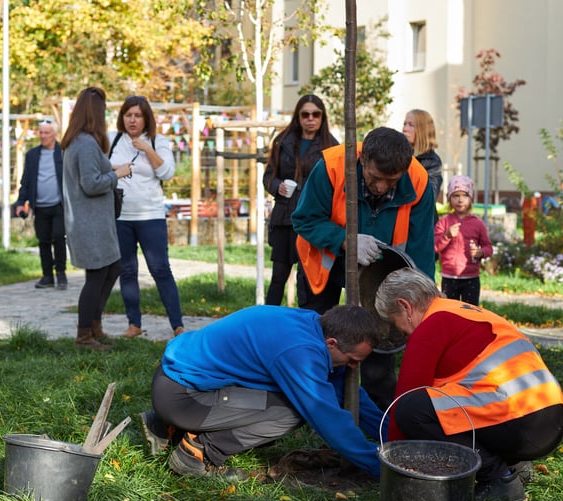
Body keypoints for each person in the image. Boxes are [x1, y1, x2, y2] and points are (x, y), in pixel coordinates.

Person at [374, 268, 563, 501]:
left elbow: (403, 401)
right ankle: (513, 464)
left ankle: (497, 477)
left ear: (406, 307)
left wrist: (394, 470)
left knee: (410, 410)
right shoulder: (463, 311)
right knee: (440, 404)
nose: (403, 333)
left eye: (398, 324)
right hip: (549, 417)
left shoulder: (431, 325)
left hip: (520, 422)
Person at [139, 304, 385, 479]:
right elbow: (326, 417)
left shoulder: (312, 325)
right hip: (183, 398)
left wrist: (389, 434)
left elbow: (348, 391)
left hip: (177, 381)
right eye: (353, 360)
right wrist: (379, 467)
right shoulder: (299, 352)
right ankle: (198, 451)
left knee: (295, 397)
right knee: (293, 411)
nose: (355, 368)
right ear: (332, 343)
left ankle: (167, 429)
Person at [292, 126, 435, 315]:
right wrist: (346, 240)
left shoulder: (419, 181)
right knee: (318, 330)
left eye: (391, 181)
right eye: (375, 178)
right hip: (323, 265)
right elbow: (305, 220)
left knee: (376, 332)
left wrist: (425, 298)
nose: (381, 187)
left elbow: (421, 249)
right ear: (363, 160)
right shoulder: (332, 166)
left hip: (380, 271)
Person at [60, 86, 133, 350]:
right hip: (90, 223)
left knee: (111, 269)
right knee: (97, 276)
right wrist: (119, 174)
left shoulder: (76, 141)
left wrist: (109, 168)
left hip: (89, 221)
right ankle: (84, 335)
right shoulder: (87, 143)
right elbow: (90, 184)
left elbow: (89, 172)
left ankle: (94, 326)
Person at [108, 96, 184, 338]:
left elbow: (167, 172)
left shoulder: (159, 141)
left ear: (146, 118)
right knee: (127, 270)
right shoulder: (112, 140)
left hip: (150, 216)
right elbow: (99, 167)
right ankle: (134, 324)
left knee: (160, 269)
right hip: (121, 217)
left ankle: (177, 325)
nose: (132, 120)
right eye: (128, 115)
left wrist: (147, 149)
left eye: (137, 115)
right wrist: (114, 169)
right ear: (122, 117)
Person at [262, 94, 338, 306]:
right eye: (305, 114)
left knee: (307, 280)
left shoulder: (332, 146)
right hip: (285, 217)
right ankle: (267, 323)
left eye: (316, 114)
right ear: (298, 116)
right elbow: (268, 176)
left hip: (314, 221)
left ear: (322, 117)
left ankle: (306, 325)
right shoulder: (282, 141)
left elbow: (337, 183)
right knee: (278, 276)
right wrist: (278, 186)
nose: (310, 118)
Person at [15, 119, 67, 290]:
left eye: (47, 133)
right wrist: (21, 202)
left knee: (59, 237)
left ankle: (61, 273)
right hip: (40, 206)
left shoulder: (63, 152)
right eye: (41, 132)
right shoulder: (32, 155)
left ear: (54, 134)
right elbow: (26, 181)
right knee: (43, 240)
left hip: (59, 204)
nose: (43, 136)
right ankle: (47, 276)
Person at [434, 175, 492, 305]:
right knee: (451, 313)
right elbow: (434, 247)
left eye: (465, 195)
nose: (460, 200)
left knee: (470, 313)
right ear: (449, 199)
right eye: (455, 195)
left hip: (471, 279)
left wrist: (480, 252)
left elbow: (488, 247)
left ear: (471, 199)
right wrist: (447, 236)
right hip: (449, 278)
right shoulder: (444, 222)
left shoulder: (478, 224)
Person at [402, 109, 443, 206]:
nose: (405, 129)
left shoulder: (432, 162)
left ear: (423, 130)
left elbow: (430, 197)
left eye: (411, 125)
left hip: (418, 218)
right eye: (404, 124)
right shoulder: (398, 154)